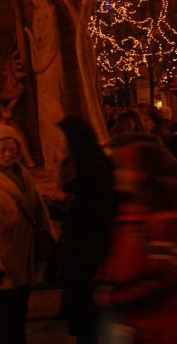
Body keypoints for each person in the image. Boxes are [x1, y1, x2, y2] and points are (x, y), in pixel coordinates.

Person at [0, 123, 53, 344]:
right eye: (3, 150)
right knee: (2, 326)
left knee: (18, 322)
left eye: (13, 150)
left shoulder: (22, 174)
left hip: (22, 261)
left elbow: (37, 210)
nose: (8, 155)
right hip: (2, 266)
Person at [94, 140, 177, 343]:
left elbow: (160, 278)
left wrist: (116, 296)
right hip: (131, 322)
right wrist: (105, 280)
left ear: (141, 174)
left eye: (123, 168)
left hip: (157, 327)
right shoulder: (128, 213)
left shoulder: (162, 221)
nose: (117, 173)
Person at [42, 114, 115, 344]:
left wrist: (66, 199)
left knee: (90, 325)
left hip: (90, 257)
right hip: (79, 256)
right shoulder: (74, 167)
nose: (60, 142)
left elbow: (100, 211)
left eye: (63, 138)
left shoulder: (95, 168)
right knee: (85, 325)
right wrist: (55, 204)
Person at [21, 0, 66, 171]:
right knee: (45, 114)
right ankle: (50, 156)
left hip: (48, 66)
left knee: (53, 109)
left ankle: (60, 155)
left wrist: (40, 62)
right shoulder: (38, 14)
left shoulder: (48, 11)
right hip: (41, 68)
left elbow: (51, 43)